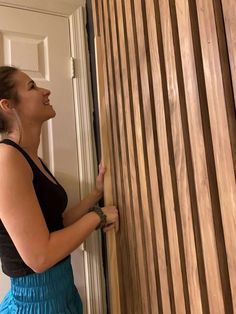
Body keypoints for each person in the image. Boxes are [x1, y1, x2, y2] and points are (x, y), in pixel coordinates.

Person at [0, 66, 119, 313]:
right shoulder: (6, 160)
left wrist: (95, 195)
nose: (46, 91)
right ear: (7, 105)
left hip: (60, 293)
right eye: (32, 87)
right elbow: (40, 257)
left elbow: (56, 225)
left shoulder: (31, 158)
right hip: (37, 303)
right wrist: (98, 217)